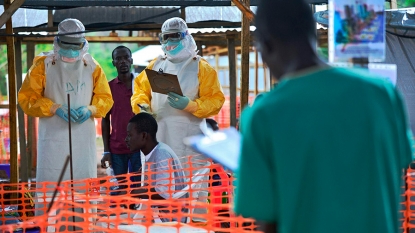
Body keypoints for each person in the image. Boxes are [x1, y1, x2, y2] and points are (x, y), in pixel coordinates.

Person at [234, 0, 414, 233]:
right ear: (314, 35)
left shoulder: (263, 116)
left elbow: (267, 220)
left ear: (265, 46)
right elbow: (400, 170)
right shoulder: (382, 94)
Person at [18, 18, 113, 185]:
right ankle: (51, 212)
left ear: (83, 43)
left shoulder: (92, 66)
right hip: (53, 136)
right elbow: (28, 98)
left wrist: (90, 109)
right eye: (66, 45)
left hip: (83, 135)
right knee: (52, 182)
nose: (70, 50)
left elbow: (105, 98)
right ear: (57, 41)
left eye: (75, 46)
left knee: (83, 181)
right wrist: (54, 108)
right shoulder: (43, 65)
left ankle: (83, 213)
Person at [131, 17, 225, 161]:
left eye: (174, 36)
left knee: (190, 179)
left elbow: (215, 100)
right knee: (160, 178)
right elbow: (140, 90)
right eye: (165, 37)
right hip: (159, 135)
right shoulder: (155, 65)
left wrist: (191, 105)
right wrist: (143, 106)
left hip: (189, 138)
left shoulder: (201, 67)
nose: (169, 42)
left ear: (186, 37)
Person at [125, 113, 188, 223]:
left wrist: (132, 192)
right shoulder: (155, 152)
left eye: (130, 135)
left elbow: (163, 192)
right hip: (162, 213)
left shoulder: (161, 153)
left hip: (170, 218)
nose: (126, 139)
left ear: (144, 135)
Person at [101, 46, 141, 191]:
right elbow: (105, 120)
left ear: (131, 60)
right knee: (121, 189)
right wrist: (106, 151)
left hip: (139, 146)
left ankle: (137, 212)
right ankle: (124, 212)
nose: (123, 61)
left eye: (126, 57)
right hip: (117, 147)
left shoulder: (141, 85)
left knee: (139, 188)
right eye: (118, 58)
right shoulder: (108, 88)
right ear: (113, 63)